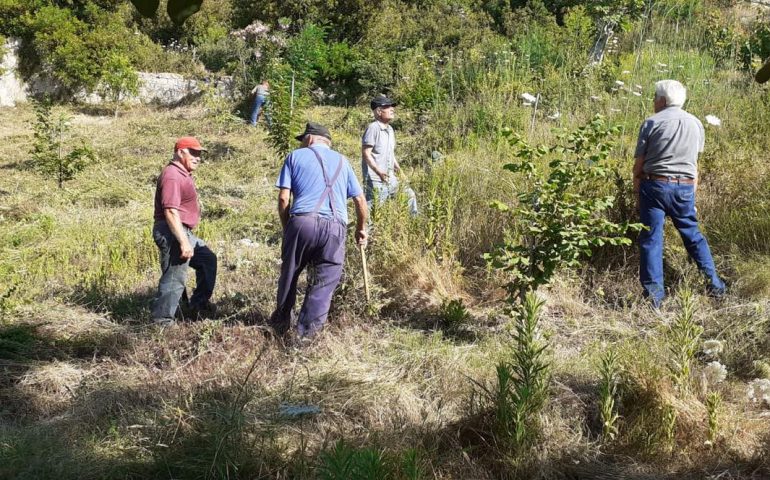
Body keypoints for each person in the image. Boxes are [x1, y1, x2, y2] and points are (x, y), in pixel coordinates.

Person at [270, 122, 368, 338]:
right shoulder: (344, 161)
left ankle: (279, 327)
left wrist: (288, 228)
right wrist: (361, 229)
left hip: (302, 222)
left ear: (310, 138)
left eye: (303, 139)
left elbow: (284, 198)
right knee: (323, 286)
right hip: (336, 229)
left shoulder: (295, 157)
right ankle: (305, 339)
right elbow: (360, 201)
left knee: (290, 274)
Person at [633, 79, 726, 307]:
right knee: (693, 236)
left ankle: (654, 299)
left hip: (654, 186)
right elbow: (694, 164)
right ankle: (715, 285)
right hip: (684, 187)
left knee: (652, 240)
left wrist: (636, 191)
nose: (653, 101)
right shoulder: (696, 124)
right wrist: (691, 193)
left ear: (662, 100)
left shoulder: (651, 122)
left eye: (655, 97)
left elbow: (639, 164)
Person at [151, 136, 218, 325]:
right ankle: (162, 323)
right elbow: (170, 211)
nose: (198, 157)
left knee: (207, 259)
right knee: (174, 278)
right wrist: (183, 241)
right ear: (180, 152)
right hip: (173, 232)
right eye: (193, 153)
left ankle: (197, 305)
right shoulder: (172, 175)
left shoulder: (181, 174)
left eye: (199, 154)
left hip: (182, 231)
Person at [361, 94, 418, 215]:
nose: (392, 109)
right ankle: (365, 232)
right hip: (375, 180)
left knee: (410, 196)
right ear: (379, 111)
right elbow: (366, 153)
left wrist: (400, 171)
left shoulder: (390, 129)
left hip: (390, 178)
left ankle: (414, 222)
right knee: (374, 212)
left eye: (392, 106)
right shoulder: (373, 128)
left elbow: (390, 154)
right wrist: (378, 172)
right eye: (388, 106)